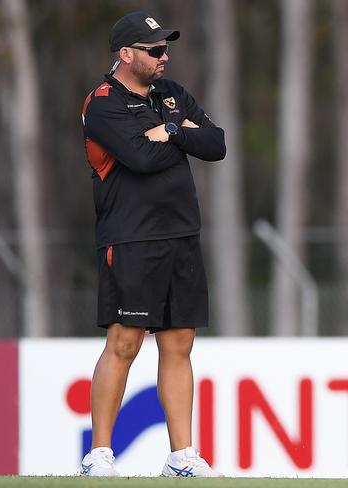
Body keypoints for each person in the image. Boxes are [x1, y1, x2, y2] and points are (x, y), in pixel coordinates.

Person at [79, 11, 225, 477]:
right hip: (132, 236)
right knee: (124, 342)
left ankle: (181, 456)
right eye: (154, 50)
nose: (165, 57)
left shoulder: (172, 94)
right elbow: (140, 159)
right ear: (127, 55)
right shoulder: (102, 103)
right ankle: (99, 454)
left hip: (181, 232)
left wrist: (175, 131)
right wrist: (184, 138)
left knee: (180, 342)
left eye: (165, 49)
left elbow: (217, 143)